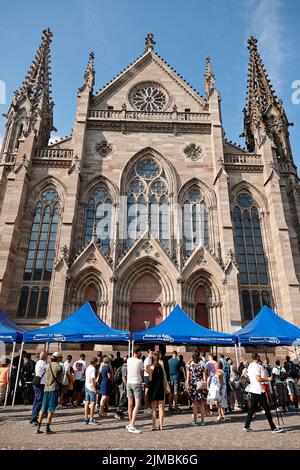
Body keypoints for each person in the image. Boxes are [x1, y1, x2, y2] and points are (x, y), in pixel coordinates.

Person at [244, 353, 283, 433]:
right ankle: (273, 427)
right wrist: (268, 379)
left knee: (252, 408)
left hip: (253, 389)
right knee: (266, 408)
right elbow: (258, 379)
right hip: (258, 390)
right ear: (258, 357)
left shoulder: (250, 365)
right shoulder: (257, 366)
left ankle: (246, 425)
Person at [36, 352, 63, 434]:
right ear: (58, 358)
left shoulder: (47, 366)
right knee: (51, 409)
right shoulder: (59, 367)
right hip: (53, 389)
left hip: (46, 389)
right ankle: (47, 427)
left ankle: (38, 427)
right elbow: (61, 379)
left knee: (42, 409)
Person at [147, 351, 166, 431]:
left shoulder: (151, 367)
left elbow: (150, 379)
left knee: (154, 408)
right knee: (161, 408)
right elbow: (164, 376)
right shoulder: (162, 364)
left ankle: (154, 426)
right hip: (161, 387)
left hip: (153, 388)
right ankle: (161, 425)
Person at [126, 346, 144, 434]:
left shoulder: (128, 360)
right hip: (136, 382)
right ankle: (132, 425)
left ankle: (130, 422)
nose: (141, 353)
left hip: (129, 382)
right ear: (137, 352)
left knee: (130, 404)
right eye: (140, 352)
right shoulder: (140, 361)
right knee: (137, 404)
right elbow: (141, 372)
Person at [186, 352, 207, 426]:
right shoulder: (202, 366)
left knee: (194, 404)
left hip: (193, 385)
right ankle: (202, 421)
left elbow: (188, 377)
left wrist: (187, 385)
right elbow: (205, 378)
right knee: (201, 403)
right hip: (201, 385)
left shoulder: (190, 367)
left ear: (192, 358)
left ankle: (195, 420)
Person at [30, 351, 47, 425]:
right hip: (39, 384)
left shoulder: (41, 362)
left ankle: (34, 417)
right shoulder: (42, 363)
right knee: (39, 401)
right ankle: (34, 419)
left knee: (37, 401)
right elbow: (49, 370)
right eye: (46, 355)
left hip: (40, 384)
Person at [84, 357, 98, 425]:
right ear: (95, 362)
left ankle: (86, 418)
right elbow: (93, 379)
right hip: (91, 387)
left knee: (87, 402)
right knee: (93, 403)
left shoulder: (88, 367)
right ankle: (91, 418)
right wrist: (95, 389)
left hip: (86, 386)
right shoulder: (93, 368)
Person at [143, 349, 153, 415]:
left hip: (149, 376)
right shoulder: (147, 359)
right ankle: (145, 408)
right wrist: (150, 374)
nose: (152, 354)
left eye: (152, 353)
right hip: (147, 376)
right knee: (147, 391)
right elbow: (145, 368)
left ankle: (148, 407)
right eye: (151, 353)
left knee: (149, 391)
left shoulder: (150, 359)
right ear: (148, 353)